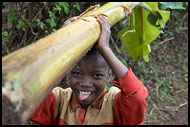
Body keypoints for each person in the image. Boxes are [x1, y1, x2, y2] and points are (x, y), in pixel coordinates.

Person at [28, 14, 148, 125]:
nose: (85, 83)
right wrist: (61, 44)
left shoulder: (114, 104)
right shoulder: (58, 100)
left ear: (109, 76)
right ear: (66, 72)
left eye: (97, 75)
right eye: (76, 73)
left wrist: (104, 48)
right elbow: (25, 98)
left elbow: (137, 98)